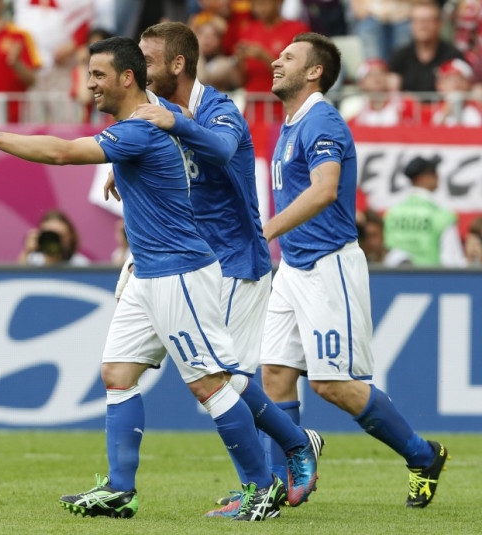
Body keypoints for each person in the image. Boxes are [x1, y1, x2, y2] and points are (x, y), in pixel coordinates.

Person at [0, 36, 284, 522]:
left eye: (98, 75)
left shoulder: (142, 127)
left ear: (127, 78)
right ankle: (120, 490)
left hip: (180, 272)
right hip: (147, 271)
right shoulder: (142, 120)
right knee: (118, 374)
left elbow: (62, 153)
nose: (90, 85)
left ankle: (261, 490)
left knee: (210, 383)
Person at [111, 21, 324, 518]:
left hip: (230, 262)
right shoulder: (150, 111)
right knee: (135, 372)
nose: (139, 68)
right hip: (170, 264)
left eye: (149, 59)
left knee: (219, 380)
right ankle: (122, 487)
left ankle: (289, 454)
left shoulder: (218, 109)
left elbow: (225, 150)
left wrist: (175, 124)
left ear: (178, 64)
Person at [260, 32, 449, 509]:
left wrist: (262, 232)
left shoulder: (322, 120)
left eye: (288, 57)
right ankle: (279, 484)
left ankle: (422, 455)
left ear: (314, 71)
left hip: (328, 266)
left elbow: (325, 190)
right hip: (294, 266)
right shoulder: (289, 124)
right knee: (275, 377)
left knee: (330, 384)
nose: (275, 62)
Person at [383, 156, 467, 267]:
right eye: (433, 173)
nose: (438, 177)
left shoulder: (391, 214)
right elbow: (452, 262)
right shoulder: (442, 216)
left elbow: (386, 254)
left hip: (393, 281)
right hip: (431, 282)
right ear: (422, 178)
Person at [387, 0, 465, 94]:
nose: (423, 26)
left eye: (428, 20)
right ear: (411, 25)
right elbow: (391, 92)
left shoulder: (453, 56)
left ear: (439, 24)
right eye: (418, 21)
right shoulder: (399, 56)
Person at [341, 58, 420, 127]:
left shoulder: (404, 104)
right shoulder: (357, 109)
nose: (377, 77)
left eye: (381, 72)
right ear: (361, 83)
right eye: (371, 74)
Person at [17, 209, 90, 267]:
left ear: (70, 238)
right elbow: (17, 280)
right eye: (50, 235)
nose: (55, 240)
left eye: (61, 235)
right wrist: (27, 251)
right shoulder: (32, 261)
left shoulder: (81, 266)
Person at [424, 58, 482, 127]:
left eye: (461, 79)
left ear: (468, 84)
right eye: (450, 79)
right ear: (439, 85)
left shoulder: (477, 107)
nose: (456, 84)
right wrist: (444, 114)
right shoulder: (432, 109)